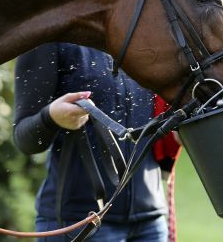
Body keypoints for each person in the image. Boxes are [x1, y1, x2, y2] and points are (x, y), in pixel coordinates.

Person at [14, 43, 176, 242]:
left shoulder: (141, 35)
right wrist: (51, 117)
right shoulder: (50, 38)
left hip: (151, 223)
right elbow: (24, 139)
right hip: (80, 225)